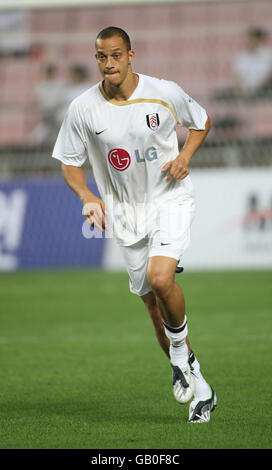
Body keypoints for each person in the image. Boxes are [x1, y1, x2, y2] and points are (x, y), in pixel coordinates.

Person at [52, 26, 216, 423]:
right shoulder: (83, 108)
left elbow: (202, 120)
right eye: (101, 57)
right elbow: (69, 162)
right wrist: (88, 196)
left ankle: (180, 357)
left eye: (116, 55)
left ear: (130, 55)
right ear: (97, 59)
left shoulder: (163, 91)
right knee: (153, 306)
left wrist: (185, 157)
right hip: (125, 214)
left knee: (162, 280)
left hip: (169, 198)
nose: (109, 63)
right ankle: (201, 387)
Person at [232, 27, 272, 96]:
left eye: (251, 38)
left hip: (265, 92)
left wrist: (259, 89)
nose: (248, 41)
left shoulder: (268, 55)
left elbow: (268, 77)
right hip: (245, 93)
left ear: (259, 39)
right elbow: (238, 78)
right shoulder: (241, 56)